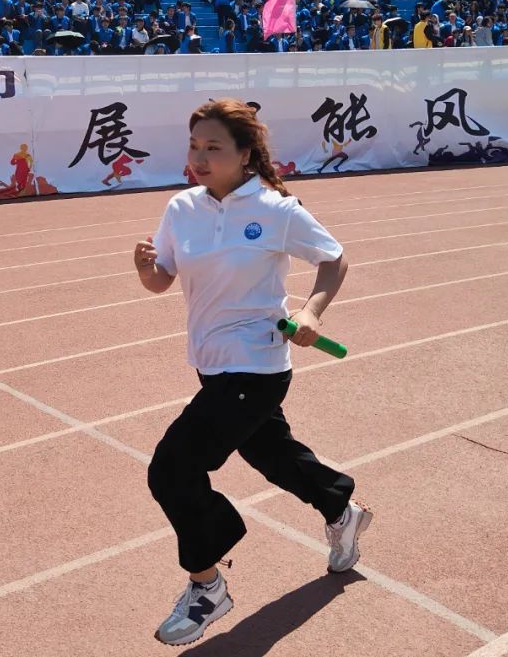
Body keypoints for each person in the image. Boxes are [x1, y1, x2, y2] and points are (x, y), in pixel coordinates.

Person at [135, 98, 371, 648]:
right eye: (194, 146)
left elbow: (333, 258)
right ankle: (341, 508)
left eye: (213, 147)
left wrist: (311, 312)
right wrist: (146, 270)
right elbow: (162, 279)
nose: (199, 157)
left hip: (258, 365)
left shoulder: (276, 210)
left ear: (245, 154)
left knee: (172, 469)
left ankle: (207, 584)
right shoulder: (181, 208)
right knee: (273, 455)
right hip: (212, 365)